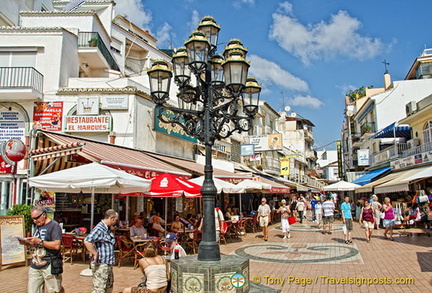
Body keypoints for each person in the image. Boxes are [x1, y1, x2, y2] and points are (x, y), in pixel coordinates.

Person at [19, 206, 64, 293]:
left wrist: (40, 242)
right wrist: (27, 242)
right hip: (35, 263)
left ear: (44, 215)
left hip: (50, 264)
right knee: (33, 290)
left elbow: (56, 245)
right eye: (33, 219)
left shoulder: (54, 226)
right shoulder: (38, 226)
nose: (35, 221)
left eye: (36, 218)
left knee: (55, 290)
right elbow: (36, 243)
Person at [84, 209, 119, 293]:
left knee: (108, 286)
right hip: (101, 263)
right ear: (111, 218)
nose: (116, 222)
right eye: (116, 220)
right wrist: (95, 253)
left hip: (107, 262)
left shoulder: (106, 228)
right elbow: (87, 241)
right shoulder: (100, 228)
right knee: (99, 288)